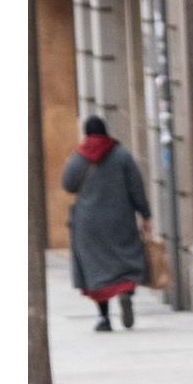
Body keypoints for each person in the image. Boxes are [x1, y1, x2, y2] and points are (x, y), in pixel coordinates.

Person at [61, 116, 152, 332]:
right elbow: (136, 187)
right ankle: (125, 292)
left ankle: (104, 318)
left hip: (88, 223)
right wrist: (145, 215)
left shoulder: (79, 157)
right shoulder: (122, 156)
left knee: (96, 269)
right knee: (125, 259)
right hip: (120, 219)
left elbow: (68, 185)